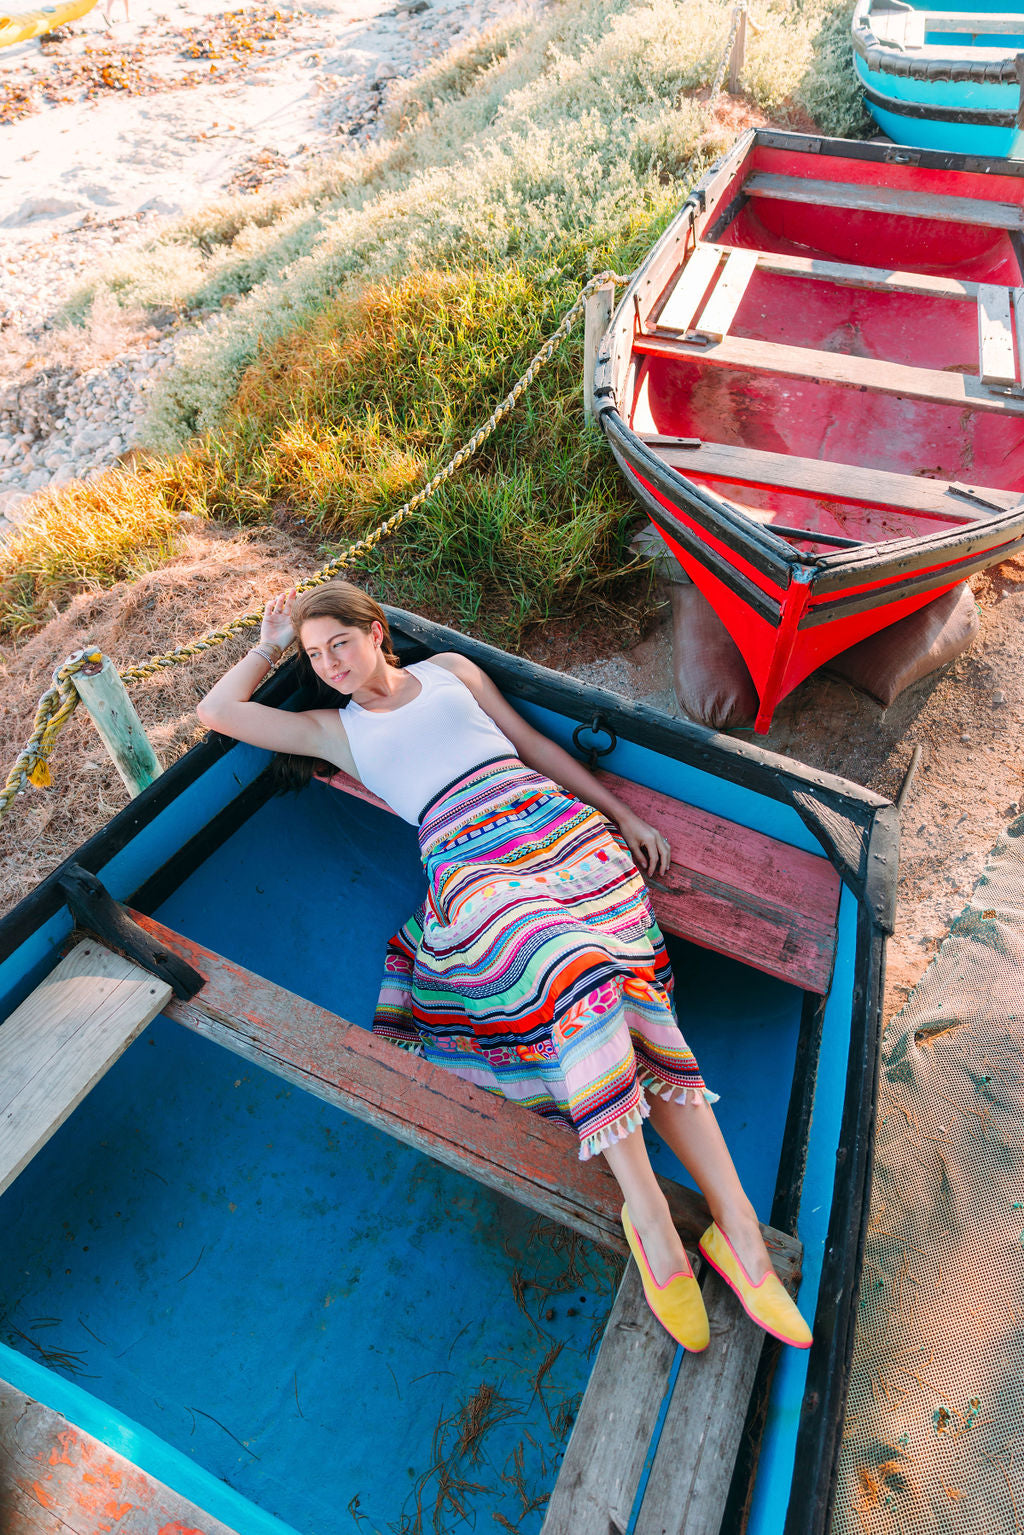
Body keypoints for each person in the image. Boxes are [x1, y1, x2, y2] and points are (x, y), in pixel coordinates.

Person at [197, 580, 812, 1352]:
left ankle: (740, 1233)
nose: (329, 665)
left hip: (562, 834)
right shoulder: (333, 730)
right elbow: (218, 711)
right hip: (473, 869)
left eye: (338, 644)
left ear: (376, 630)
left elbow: (533, 748)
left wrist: (621, 812)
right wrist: (268, 646)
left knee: (621, 994)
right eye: (315, 656)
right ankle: (654, 1219)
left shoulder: (452, 672)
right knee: (576, 974)